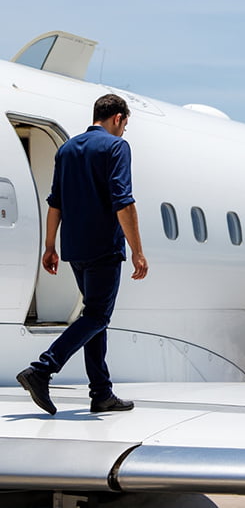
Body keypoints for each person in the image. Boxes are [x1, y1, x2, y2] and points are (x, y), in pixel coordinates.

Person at [16, 94, 149, 415]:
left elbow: (55, 203)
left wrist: (49, 246)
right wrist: (138, 251)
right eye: (125, 125)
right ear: (118, 118)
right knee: (98, 316)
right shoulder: (116, 147)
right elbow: (123, 201)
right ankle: (42, 369)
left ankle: (101, 393)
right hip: (104, 246)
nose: (124, 132)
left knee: (94, 316)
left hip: (73, 248)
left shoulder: (67, 149)